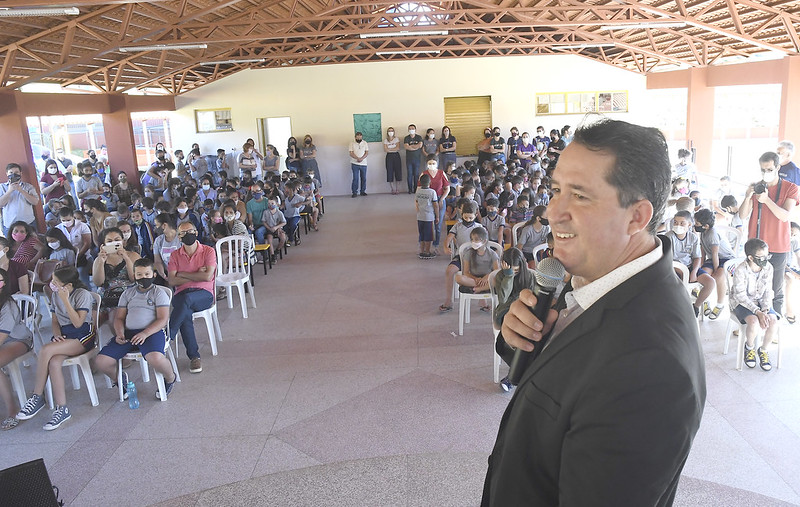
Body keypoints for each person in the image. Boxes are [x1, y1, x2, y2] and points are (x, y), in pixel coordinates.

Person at [483, 118, 705, 506]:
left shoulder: (651, 367)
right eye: (555, 190)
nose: (553, 213)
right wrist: (525, 343)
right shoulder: (596, 271)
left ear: (636, 217)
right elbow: (572, 379)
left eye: (580, 196)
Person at [17, 266, 95, 431]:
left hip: (82, 335)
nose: (52, 284)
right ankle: (62, 409)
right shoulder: (54, 295)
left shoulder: (82, 294)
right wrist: (57, 335)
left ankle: (37, 396)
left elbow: (78, 323)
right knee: (53, 362)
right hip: (65, 335)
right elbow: (54, 321)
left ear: (67, 285)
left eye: (56, 282)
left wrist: (66, 300)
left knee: (45, 350)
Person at [95, 258, 177, 401]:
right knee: (102, 361)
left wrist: (145, 333)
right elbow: (119, 318)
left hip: (151, 332)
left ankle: (170, 377)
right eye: (139, 275)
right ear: (134, 276)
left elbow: (162, 319)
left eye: (147, 274)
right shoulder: (127, 293)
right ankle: (120, 380)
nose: (143, 278)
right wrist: (119, 333)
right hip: (129, 333)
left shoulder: (158, 293)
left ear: (153, 275)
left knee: (155, 358)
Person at [738, 151, 799, 316]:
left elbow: (785, 215)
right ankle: (749, 321)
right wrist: (747, 196)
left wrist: (766, 201)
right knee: (750, 288)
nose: (766, 173)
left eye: (770, 169)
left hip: (778, 246)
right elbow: (742, 215)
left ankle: (774, 325)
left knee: (775, 289)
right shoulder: (757, 187)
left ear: (778, 167)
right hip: (755, 247)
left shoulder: (791, 188)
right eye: (763, 170)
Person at [168, 222, 216, 374]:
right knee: (185, 311)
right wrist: (197, 275)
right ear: (179, 236)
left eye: (191, 231)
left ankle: (168, 335)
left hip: (204, 294)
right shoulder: (175, 255)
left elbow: (208, 276)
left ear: (196, 232)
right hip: (181, 294)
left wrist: (182, 274)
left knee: (185, 302)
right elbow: (172, 281)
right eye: (183, 232)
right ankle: (194, 357)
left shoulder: (208, 251)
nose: (188, 234)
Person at [731, 238, 780, 371]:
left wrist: (765, 310)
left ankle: (763, 350)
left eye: (767, 255)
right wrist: (757, 312)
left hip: (760, 301)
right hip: (742, 302)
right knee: (753, 322)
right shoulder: (741, 270)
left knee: (773, 321)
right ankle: (750, 347)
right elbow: (740, 296)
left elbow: (768, 291)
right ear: (751, 257)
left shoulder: (768, 267)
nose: (765, 259)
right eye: (762, 257)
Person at [0, 268, 34, 430]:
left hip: (17, 339)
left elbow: (2, 336)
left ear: (4, 283)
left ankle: (12, 411)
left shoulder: (8, 304)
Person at [667, 211, 715, 318]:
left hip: (689, 267)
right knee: (678, 288)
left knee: (710, 283)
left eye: (682, 223)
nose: (677, 225)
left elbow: (697, 257)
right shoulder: (669, 236)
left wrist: (694, 271)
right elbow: (668, 259)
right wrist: (684, 273)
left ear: (689, 225)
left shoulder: (693, 237)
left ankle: (696, 306)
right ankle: (680, 309)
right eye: (675, 222)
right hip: (674, 268)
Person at [440, 200, 484, 313]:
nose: (468, 220)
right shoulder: (458, 226)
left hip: (476, 258)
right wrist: (446, 246)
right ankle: (448, 300)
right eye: (466, 217)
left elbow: (485, 242)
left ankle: (483, 300)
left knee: (484, 271)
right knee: (450, 270)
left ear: (475, 215)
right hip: (461, 256)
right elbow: (449, 237)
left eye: (470, 218)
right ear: (462, 214)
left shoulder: (479, 227)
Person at [694, 208, 735, 320]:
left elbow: (715, 253)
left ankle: (719, 305)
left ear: (706, 225)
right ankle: (705, 301)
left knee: (718, 277)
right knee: (704, 275)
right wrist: (701, 266)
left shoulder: (712, 233)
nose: (694, 225)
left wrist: (716, 270)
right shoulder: (703, 232)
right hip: (713, 259)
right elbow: (702, 249)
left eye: (697, 223)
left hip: (726, 259)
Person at [92, 228, 140, 317]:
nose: (114, 243)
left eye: (117, 240)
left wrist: (126, 258)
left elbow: (134, 279)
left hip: (128, 294)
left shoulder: (133, 255)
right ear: (104, 244)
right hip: (107, 295)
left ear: (122, 241)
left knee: (116, 316)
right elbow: (98, 282)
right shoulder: (99, 260)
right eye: (109, 241)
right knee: (97, 315)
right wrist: (101, 262)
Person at [455, 227, 499, 309]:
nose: (473, 242)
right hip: (474, 280)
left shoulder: (492, 254)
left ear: (484, 241)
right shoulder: (468, 253)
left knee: (498, 279)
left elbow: (496, 271)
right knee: (458, 278)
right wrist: (477, 279)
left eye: (476, 240)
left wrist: (487, 277)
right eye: (472, 239)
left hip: (488, 280)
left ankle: (478, 289)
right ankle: (482, 288)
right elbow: (466, 272)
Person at [419, 156, 450, 253]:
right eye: (430, 163)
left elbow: (447, 188)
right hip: (428, 201)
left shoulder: (441, 173)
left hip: (440, 199)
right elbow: (419, 190)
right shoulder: (424, 174)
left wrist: (442, 199)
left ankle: (436, 246)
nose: (431, 165)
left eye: (433, 163)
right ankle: (424, 247)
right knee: (426, 225)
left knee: (438, 225)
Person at [0, 163, 40, 236]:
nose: (14, 175)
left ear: (20, 173)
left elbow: (35, 202)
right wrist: (9, 191)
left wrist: (21, 190)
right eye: (11, 173)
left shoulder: (28, 187)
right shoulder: (1, 187)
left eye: (16, 172)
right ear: (7, 174)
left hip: (28, 223)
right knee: (12, 247)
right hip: (10, 225)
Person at [152, 213, 182, 284]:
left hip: (182, 273)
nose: (155, 228)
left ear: (164, 225)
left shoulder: (180, 237)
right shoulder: (158, 240)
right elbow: (157, 261)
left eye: (157, 225)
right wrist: (163, 275)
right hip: (167, 273)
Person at [415, 173, 439, 259]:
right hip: (429, 217)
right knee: (429, 235)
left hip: (420, 216)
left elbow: (417, 203)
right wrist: (437, 216)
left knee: (422, 234)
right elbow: (435, 205)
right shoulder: (432, 192)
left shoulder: (418, 191)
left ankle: (421, 251)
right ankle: (428, 252)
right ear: (430, 183)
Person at [403, 124, 423, 194]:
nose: (411, 130)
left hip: (417, 159)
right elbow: (406, 147)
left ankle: (416, 189)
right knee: (409, 174)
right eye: (410, 128)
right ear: (408, 130)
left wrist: (411, 146)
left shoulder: (419, 137)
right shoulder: (406, 138)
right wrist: (415, 147)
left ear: (415, 129)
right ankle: (410, 189)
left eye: (413, 128)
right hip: (409, 159)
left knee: (416, 175)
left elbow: (420, 145)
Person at [349, 132, 369, 198]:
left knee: (363, 178)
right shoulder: (351, 143)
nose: (359, 138)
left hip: (364, 163)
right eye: (358, 137)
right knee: (355, 178)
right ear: (355, 137)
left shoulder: (365, 143)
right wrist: (357, 158)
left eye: (360, 137)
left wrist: (361, 158)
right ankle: (354, 192)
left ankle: (362, 191)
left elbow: (366, 152)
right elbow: (351, 153)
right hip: (354, 163)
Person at [384, 127, 402, 195]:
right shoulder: (385, 140)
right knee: (389, 172)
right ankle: (392, 189)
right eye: (389, 131)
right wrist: (393, 149)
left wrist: (390, 149)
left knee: (398, 171)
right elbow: (385, 150)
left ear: (394, 132)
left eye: (392, 131)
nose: (390, 132)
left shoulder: (396, 139)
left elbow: (398, 148)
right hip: (389, 156)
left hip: (396, 156)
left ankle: (397, 189)